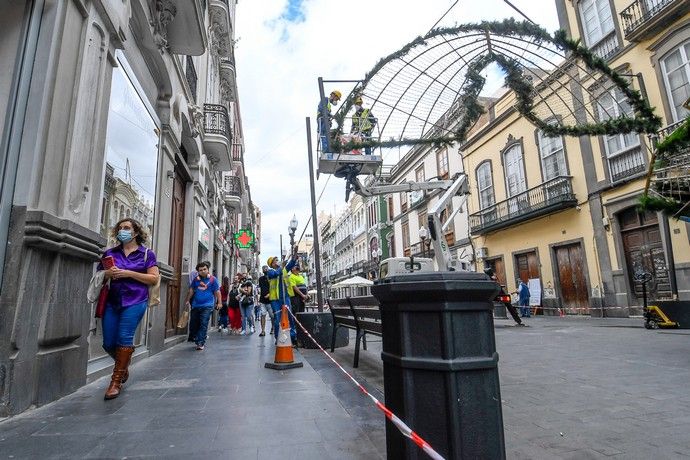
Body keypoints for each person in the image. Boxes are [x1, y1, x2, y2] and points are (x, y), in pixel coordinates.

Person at [99, 218, 160, 400]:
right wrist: (107, 273)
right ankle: (123, 366)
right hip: (112, 301)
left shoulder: (146, 254)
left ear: (135, 232)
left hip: (135, 300)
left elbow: (153, 279)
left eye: (126, 228)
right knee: (109, 342)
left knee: (124, 337)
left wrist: (128, 273)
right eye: (119, 228)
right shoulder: (110, 253)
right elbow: (99, 276)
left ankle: (115, 381)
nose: (122, 231)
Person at [184, 261, 222, 350]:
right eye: (201, 270)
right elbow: (191, 290)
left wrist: (219, 302)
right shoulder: (196, 280)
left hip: (207, 305)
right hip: (196, 305)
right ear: (198, 271)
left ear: (208, 269)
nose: (203, 271)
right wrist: (187, 300)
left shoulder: (213, 279)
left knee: (203, 323)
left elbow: (217, 291)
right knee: (194, 323)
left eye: (205, 269)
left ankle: (200, 342)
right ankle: (199, 337)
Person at [266, 250, 298, 344]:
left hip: (285, 296)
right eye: (275, 260)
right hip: (275, 299)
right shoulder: (270, 271)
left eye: (277, 259)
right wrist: (282, 267)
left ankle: (292, 337)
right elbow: (275, 274)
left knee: (290, 317)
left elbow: (291, 264)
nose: (277, 261)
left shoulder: (283, 269)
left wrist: (295, 254)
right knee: (277, 319)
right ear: (271, 264)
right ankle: (278, 337)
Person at [258, 265, 274, 337]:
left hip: (270, 300)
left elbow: (273, 288)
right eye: (263, 268)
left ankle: (273, 328)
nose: (264, 269)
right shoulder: (260, 278)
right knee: (262, 315)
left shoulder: (271, 278)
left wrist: (270, 294)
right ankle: (263, 331)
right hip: (262, 300)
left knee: (272, 316)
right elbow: (262, 288)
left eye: (266, 268)